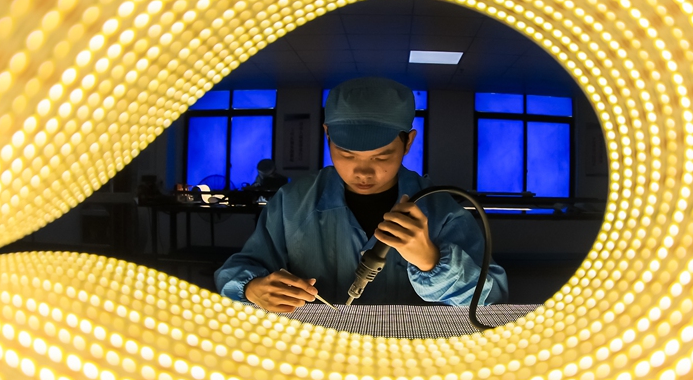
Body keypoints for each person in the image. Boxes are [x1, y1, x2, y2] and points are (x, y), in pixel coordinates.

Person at [216, 77, 508, 312]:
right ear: (327, 135)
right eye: (346, 154)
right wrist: (253, 288)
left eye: (382, 157)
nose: (363, 172)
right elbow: (240, 269)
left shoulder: (442, 210)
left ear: (408, 142)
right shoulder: (291, 203)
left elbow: (490, 297)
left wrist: (431, 261)